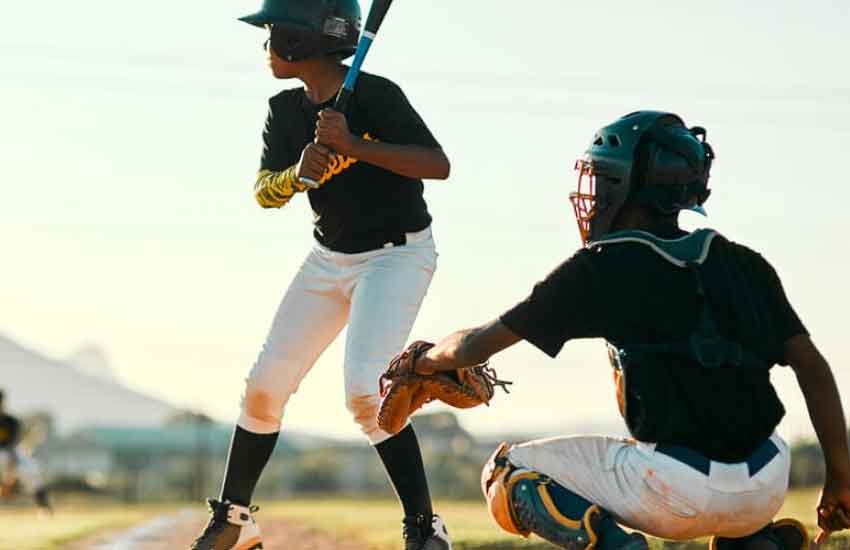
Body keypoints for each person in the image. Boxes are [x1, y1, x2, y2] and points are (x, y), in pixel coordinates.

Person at [405, 111, 850, 549]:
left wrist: (423, 360)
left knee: (507, 471)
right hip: (768, 481)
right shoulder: (744, 262)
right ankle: (754, 542)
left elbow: (476, 345)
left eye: (600, 179)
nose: (593, 193)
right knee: (729, 476)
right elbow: (813, 369)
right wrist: (840, 477)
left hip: (675, 490)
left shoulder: (601, 267)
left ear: (625, 186)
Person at [190, 1, 452, 549]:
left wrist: (355, 145)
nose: (266, 44)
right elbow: (265, 192)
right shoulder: (284, 110)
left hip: (397, 255)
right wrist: (297, 173)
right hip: (328, 258)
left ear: (301, 39)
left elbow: (436, 164)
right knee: (264, 387)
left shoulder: (377, 95)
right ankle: (235, 520)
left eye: (271, 31)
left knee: (364, 391)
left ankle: (427, 529)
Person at [0, 389, 52, 514]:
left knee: (29, 467)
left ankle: (43, 505)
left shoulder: (11, 421)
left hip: (9, 454)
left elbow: (13, 445)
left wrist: (9, 475)